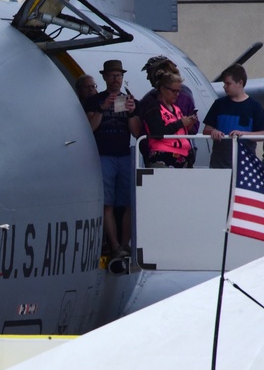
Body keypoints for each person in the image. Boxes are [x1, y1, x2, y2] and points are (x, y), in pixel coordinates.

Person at [84, 60, 141, 260]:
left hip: (124, 155)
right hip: (104, 155)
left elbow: (136, 132)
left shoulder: (128, 100)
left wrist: (132, 112)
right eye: (112, 76)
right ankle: (115, 245)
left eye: (119, 76)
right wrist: (102, 107)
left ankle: (125, 245)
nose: (116, 80)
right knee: (107, 204)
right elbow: (89, 129)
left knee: (127, 203)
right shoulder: (94, 101)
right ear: (105, 77)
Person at [202, 64, 264, 168]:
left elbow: (261, 135)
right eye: (224, 83)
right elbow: (206, 129)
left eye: (228, 83)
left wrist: (243, 134)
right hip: (219, 164)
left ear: (240, 83)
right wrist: (213, 131)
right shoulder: (218, 104)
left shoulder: (255, 106)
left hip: (246, 165)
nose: (224, 87)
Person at [140, 69, 198, 168]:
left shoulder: (176, 109)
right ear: (162, 89)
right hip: (163, 156)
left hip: (183, 156)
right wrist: (180, 123)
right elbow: (157, 132)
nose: (177, 94)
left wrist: (189, 124)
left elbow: (181, 132)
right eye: (174, 91)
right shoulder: (153, 108)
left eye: (178, 91)